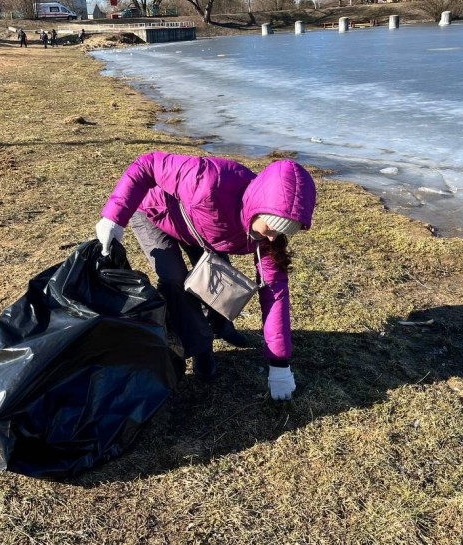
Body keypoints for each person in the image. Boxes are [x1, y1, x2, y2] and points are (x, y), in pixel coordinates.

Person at [95, 152, 317, 401]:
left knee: (218, 272)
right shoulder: (208, 180)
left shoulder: (268, 236)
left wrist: (280, 364)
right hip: (155, 212)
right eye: (272, 228)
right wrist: (114, 218)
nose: (274, 238)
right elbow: (146, 164)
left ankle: (221, 326)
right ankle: (201, 347)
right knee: (174, 279)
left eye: (284, 231)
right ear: (259, 210)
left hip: (203, 227)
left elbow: (275, 294)